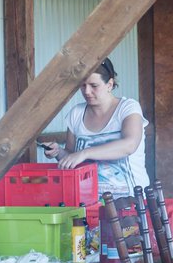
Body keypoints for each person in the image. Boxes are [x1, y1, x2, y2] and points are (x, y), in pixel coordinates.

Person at [42, 57, 148, 198]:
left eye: (94, 85)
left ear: (109, 84)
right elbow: (71, 156)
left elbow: (130, 145)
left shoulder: (127, 108)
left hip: (131, 201)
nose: (87, 91)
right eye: (83, 85)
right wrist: (58, 152)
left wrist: (85, 153)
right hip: (87, 200)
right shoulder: (76, 114)